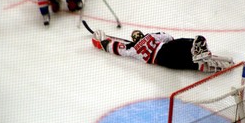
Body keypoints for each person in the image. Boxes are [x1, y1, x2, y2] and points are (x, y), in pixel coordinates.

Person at [91, 29, 234, 72]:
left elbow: (117, 48)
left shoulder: (132, 47)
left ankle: (200, 64)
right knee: (186, 43)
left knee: (184, 63)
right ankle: (197, 49)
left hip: (163, 62)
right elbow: (169, 37)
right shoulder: (151, 36)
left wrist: (102, 43)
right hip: (164, 50)